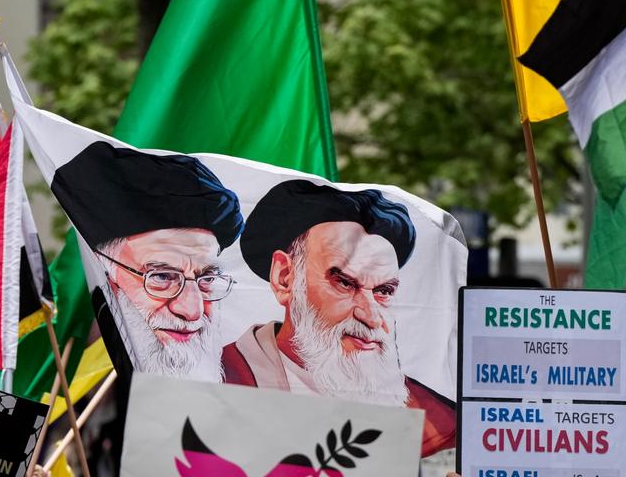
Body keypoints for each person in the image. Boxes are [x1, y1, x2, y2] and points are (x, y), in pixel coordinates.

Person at [221, 180, 455, 456]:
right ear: (285, 278)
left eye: (383, 291)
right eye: (345, 283)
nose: (370, 316)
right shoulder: (207, 385)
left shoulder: (436, 423)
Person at [51, 141, 244, 380]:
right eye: (163, 276)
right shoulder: (59, 376)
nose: (192, 311)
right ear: (105, 276)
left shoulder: (250, 388)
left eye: (207, 278)